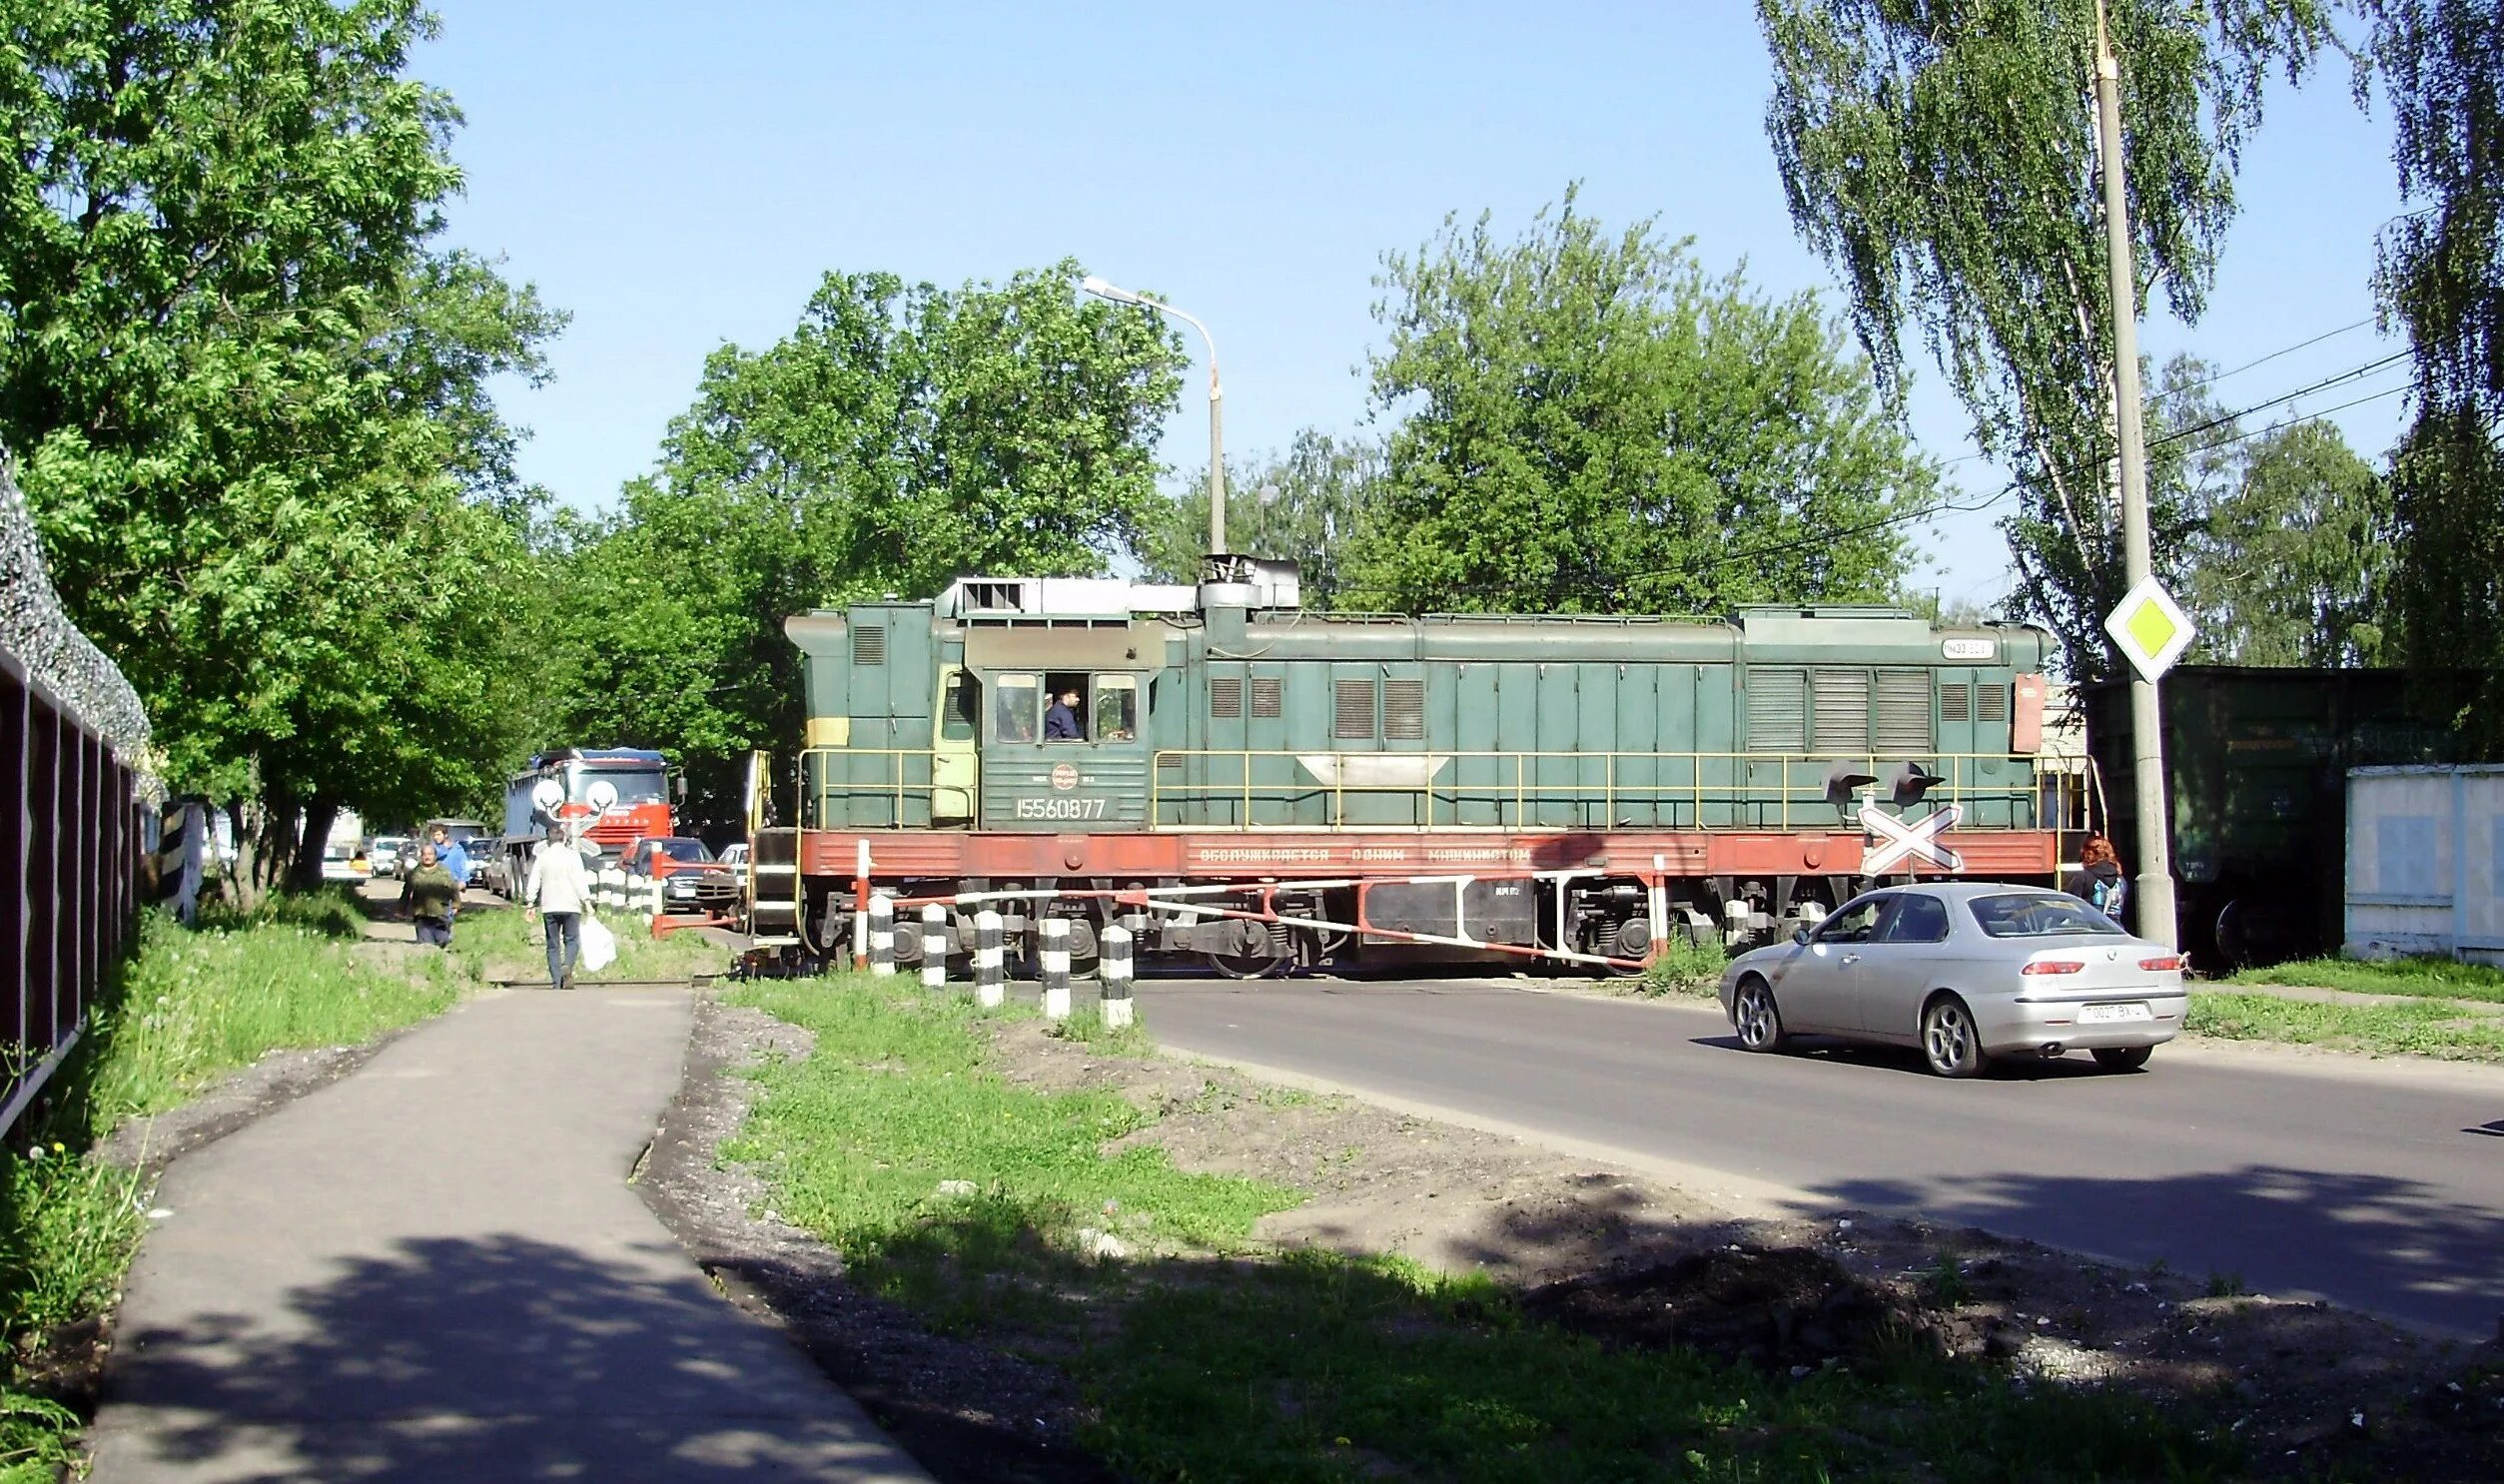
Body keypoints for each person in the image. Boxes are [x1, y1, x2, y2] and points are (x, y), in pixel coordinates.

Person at [523, 823, 597, 990]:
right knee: (572, 940)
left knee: (552, 944)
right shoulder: (573, 856)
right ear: (564, 839)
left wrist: (530, 903)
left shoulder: (543, 857)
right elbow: (580, 881)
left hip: (549, 906)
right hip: (571, 906)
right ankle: (568, 964)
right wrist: (587, 902)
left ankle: (557, 982)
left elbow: (534, 881)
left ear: (548, 840)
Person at [401, 841, 459, 949]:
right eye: (425, 854)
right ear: (421, 856)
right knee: (426, 945)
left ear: (435, 856)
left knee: (443, 940)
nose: (427, 857)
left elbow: (454, 888)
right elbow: (406, 891)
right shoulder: (415, 873)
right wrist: (402, 908)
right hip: (422, 914)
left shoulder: (444, 872)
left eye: (430, 854)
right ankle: (428, 963)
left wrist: (456, 904)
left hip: (440, 914)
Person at [2065, 835, 2129, 923]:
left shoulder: (2083, 877)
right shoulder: (2121, 880)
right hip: (2116, 930)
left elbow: (2068, 905)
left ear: (2088, 853)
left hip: (2091, 930)